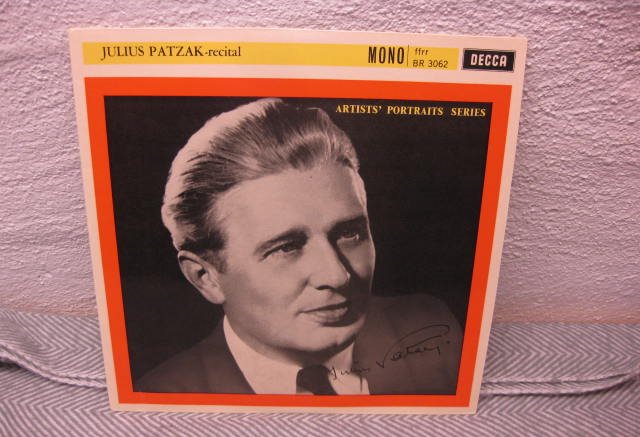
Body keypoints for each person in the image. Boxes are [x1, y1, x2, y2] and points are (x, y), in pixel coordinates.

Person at [136, 98, 462, 395]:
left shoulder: (432, 331)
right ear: (205, 277)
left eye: (350, 234)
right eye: (286, 248)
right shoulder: (163, 397)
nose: (337, 276)